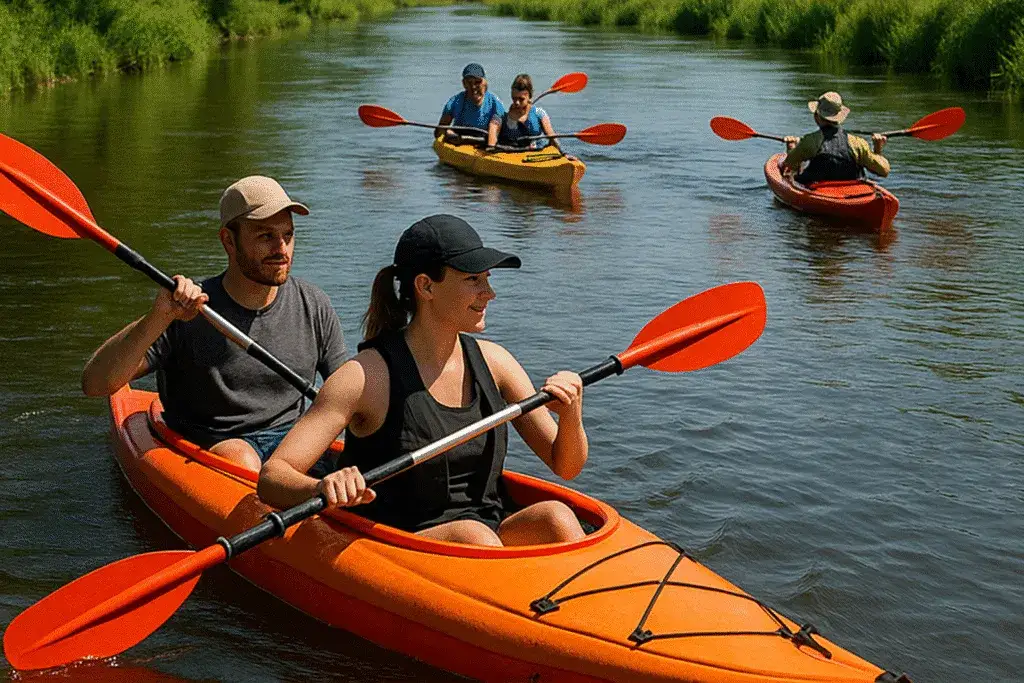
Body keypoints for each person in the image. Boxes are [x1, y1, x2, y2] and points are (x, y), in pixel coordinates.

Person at [258, 214, 588, 548]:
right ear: (426, 286)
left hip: (486, 534)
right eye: (473, 279)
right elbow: (272, 476)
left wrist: (571, 413)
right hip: (398, 542)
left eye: (487, 279)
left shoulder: (497, 363)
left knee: (556, 516)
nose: (489, 293)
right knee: (473, 536)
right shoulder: (365, 377)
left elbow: (566, 466)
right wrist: (322, 487)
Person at [81, 176, 347, 472]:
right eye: (266, 237)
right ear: (228, 241)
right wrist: (158, 317)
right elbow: (95, 384)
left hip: (291, 443)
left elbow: (346, 391)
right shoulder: (189, 310)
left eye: (288, 235)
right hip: (218, 447)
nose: (281, 249)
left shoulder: (314, 305)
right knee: (242, 458)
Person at [782, 91, 890, 185]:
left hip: (818, 191)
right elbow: (883, 171)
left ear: (817, 116)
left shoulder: (810, 141)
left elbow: (789, 164)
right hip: (852, 193)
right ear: (839, 117)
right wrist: (878, 148)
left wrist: (791, 146)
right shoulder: (858, 143)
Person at [490, 73, 575, 160]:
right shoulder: (502, 117)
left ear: (529, 97)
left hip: (536, 154)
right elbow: (493, 140)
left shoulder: (539, 114)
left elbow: (551, 136)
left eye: (521, 99)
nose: (517, 103)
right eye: (514, 98)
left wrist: (564, 154)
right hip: (510, 155)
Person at [435, 63, 505, 146]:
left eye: (477, 82)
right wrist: (449, 134)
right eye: (469, 82)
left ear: (485, 83)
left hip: (485, 139)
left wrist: (491, 148)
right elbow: (439, 131)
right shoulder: (454, 102)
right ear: (464, 84)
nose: (473, 87)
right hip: (459, 138)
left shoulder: (495, 104)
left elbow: (495, 129)